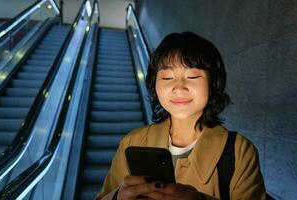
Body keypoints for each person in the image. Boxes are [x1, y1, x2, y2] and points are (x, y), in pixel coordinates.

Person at [96, 32, 266, 200]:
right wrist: (117, 196)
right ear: (154, 85)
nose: (179, 88)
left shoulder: (239, 151)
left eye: (192, 76)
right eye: (167, 77)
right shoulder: (132, 142)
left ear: (213, 83)